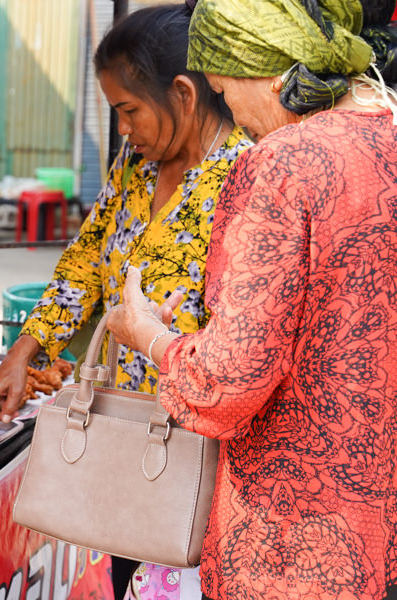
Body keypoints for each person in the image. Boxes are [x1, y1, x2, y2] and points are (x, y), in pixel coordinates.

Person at [106, 0, 397, 598]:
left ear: (264, 69)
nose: (234, 117)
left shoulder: (282, 164)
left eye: (224, 89)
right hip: (376, 525)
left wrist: (150, 336)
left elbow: (225, 385)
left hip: (292, 539)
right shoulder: (384, 134)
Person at [0, 5, 252, 598]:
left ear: (183, 93)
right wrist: (25, 350)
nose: (123, 130)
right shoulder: (135, 167)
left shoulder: (246, 175)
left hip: (204, 455)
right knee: (128, 568)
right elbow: (86, 259)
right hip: (125, 437)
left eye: (129, 110)